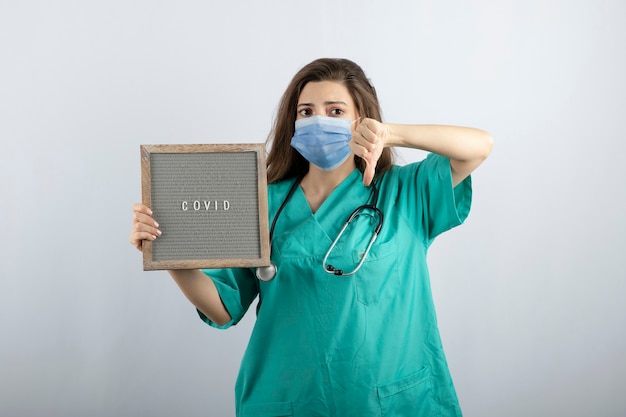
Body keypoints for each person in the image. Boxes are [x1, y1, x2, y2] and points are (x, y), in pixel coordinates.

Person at [130, 57, 493, 417]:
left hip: (391, 399)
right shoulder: (261, 202)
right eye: (306, 112)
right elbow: (223, 308)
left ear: (362, 119)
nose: (318, 121)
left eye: (335, 111)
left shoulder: (405, 192)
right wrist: (167, 251)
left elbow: (479, 147)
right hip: (290, 398)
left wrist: (391, 133)